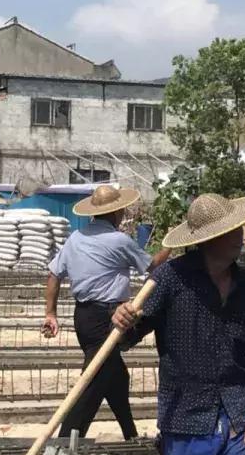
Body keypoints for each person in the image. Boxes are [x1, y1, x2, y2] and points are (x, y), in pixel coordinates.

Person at [112, 193, 245, 455]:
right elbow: (128, 335)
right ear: (209, 240)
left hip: (238, 417)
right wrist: (121, 319)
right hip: (187, 417)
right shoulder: (169, 280)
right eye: (232, 231)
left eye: (239, 228)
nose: (240, 236)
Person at [43, 185, 169, 441]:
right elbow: (152, 266)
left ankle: (130, 436)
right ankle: (65, 442)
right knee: (93, 381)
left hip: (84, 318)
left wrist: (51, 313)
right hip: (107, 318)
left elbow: (54, 274)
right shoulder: (119, 240)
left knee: (116, 377)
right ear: (117, 212)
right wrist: (170, 244)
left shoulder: (76, 238)